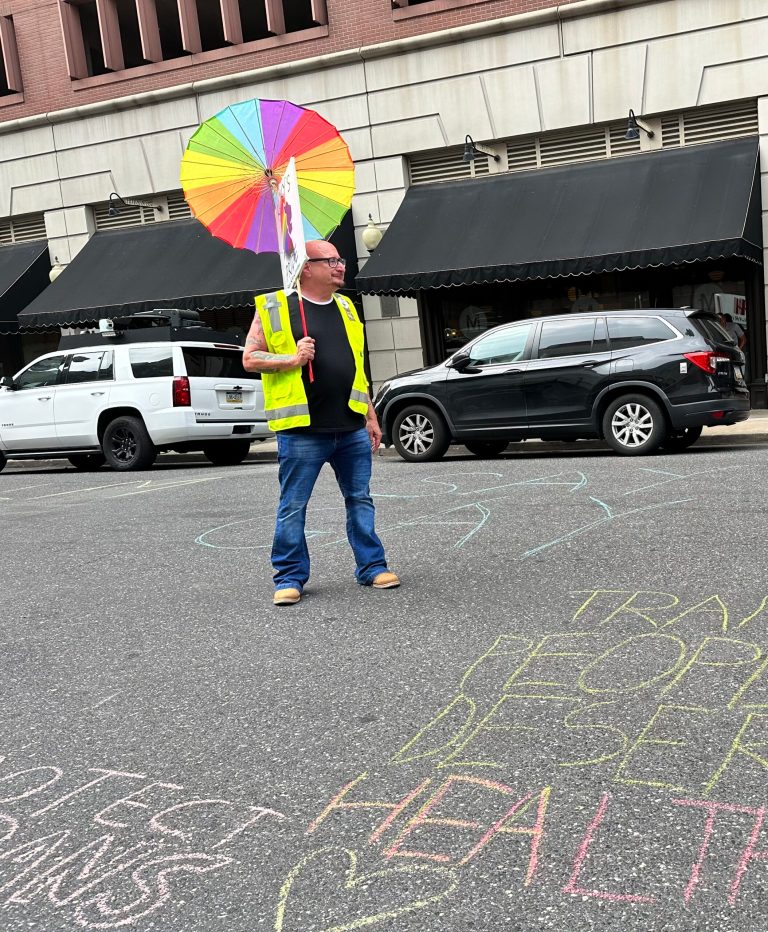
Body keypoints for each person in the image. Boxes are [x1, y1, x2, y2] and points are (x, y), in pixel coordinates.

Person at [243, 239, 400, 606]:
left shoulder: (346, 306)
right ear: (306, 267)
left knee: (360, 499)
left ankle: (372, 566)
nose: (340, 265)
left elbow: (357, 365)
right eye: (330, 260)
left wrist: (370, 414)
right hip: (302, 431)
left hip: (349, 427)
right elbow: (249, 359)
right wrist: (292, 359)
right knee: (293, 505)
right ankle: (289, 576)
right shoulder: (275, 306)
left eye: (340, 259)